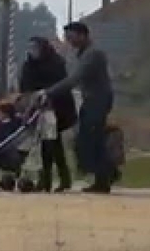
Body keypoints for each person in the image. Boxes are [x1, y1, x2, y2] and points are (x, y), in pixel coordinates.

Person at [40, 22, 115, 193]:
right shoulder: (84, 54)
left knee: (90, 139)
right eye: (67, 38)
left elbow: (75, 79)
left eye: (71, 37)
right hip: (92, 100)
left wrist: (49, 92)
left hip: (98, 100)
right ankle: (102, 177)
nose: (69, 41)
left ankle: (106, 175)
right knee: (90, 139)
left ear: (83, 35)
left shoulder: (93, 55)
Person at [19, 36, 76, 192]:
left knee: (51, 144)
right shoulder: (28, 66)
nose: (33, 51)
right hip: (37, 109)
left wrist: (48, 97)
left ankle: (50, 179)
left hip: (57, 108)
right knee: (47, 145)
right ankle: (52, 179)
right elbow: (25, 87)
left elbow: (61, 85)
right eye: (30, 48)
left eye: (35, 48)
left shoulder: (56, 63)